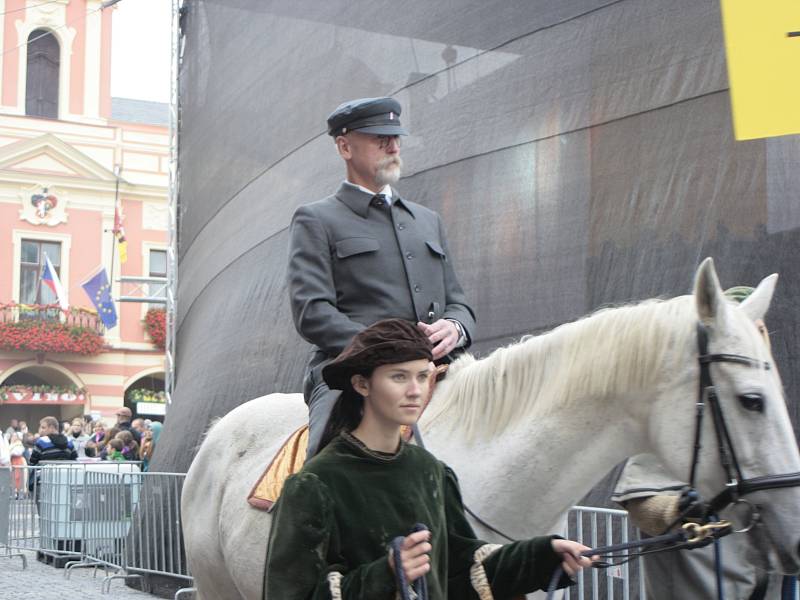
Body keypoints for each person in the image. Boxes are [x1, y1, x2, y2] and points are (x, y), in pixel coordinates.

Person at [266, 319, 595, 598]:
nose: (415, 390)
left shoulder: (432, 473)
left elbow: (462, 570)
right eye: (399, 377)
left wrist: (543, 556)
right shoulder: (315, 485)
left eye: (423, 376)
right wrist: (387, 574)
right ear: (361, 384)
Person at [289, 96, 475, 457]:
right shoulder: (317, 219)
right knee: (327, 469)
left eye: (396, 137)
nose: (393, 145)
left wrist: (455, 326)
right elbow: (312, 312)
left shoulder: (428, 220)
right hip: (353, 375)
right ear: (344, 146)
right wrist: (383, 352)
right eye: (379, 138)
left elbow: (458, 301)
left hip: (440, 369)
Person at [28, 416, 78, 497]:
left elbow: (32, 462)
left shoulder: (41, 441)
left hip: (43, 481)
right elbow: (74, 460)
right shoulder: (69, 441)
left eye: (43, 427)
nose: (40, 430)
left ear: (51, 428)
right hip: (65, 481)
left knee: (43, 508)